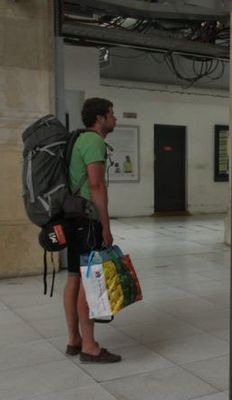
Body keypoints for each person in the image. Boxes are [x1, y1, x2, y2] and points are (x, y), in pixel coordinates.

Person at [63, 97, 121, 363]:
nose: (114, 118)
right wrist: (105, 225)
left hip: (72, 217)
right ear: (100, 119)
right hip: (87, 220)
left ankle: (74, 340)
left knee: (74, 277)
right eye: (111, 114)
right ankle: (89, 346)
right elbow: (96, 186)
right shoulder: (94, 142)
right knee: (88, 282)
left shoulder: (77, 139)